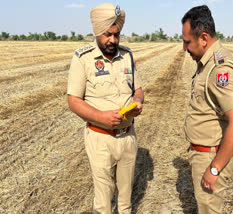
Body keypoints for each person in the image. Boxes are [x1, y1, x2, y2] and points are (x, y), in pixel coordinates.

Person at [67, 3, 144, 214]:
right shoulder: (82, 59)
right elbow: (73, 100)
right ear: (97, 32)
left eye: (116, 35)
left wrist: (138, 101)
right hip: (100, 139)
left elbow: (138, 89)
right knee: (103, 204)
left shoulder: (127, 56)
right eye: (107, 35)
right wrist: (101, 116)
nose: (113, 40)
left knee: (126, 202)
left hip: (128, 137)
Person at [181, 5, 233, 213]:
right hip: (203, 155)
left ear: (203, 38)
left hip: (209, 158)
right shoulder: (206, 63)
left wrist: (214, 168)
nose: (184, 48)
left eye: (187, 42)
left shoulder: (220, 69)